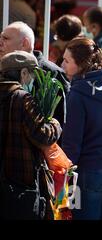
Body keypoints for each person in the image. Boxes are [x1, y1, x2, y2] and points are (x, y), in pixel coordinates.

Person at [61, 38, 102, 220]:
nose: (62, 65)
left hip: (88, 174)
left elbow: (72, 143)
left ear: (81, 64)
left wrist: (64, 177)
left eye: (67, 61)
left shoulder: (77, 94)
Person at [0, 51, 62, 220]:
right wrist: (55, 125)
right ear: (23, 73)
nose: (32, 80)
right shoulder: (23, 98)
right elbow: (43, 136)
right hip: (19, 182)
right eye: (32, 74)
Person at [0, 22, 69, 126]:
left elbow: (62, 119)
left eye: (5, 38)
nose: (0, 42)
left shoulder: (53, 73)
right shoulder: (3, 67)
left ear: (25, 43)